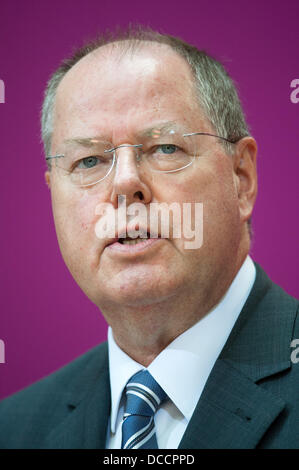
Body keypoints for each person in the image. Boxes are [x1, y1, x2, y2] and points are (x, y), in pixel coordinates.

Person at [0, 27, 298, 450]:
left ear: (241, 179)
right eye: (88, 160)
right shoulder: (14, 430)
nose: (125, 183)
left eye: (165, 149)